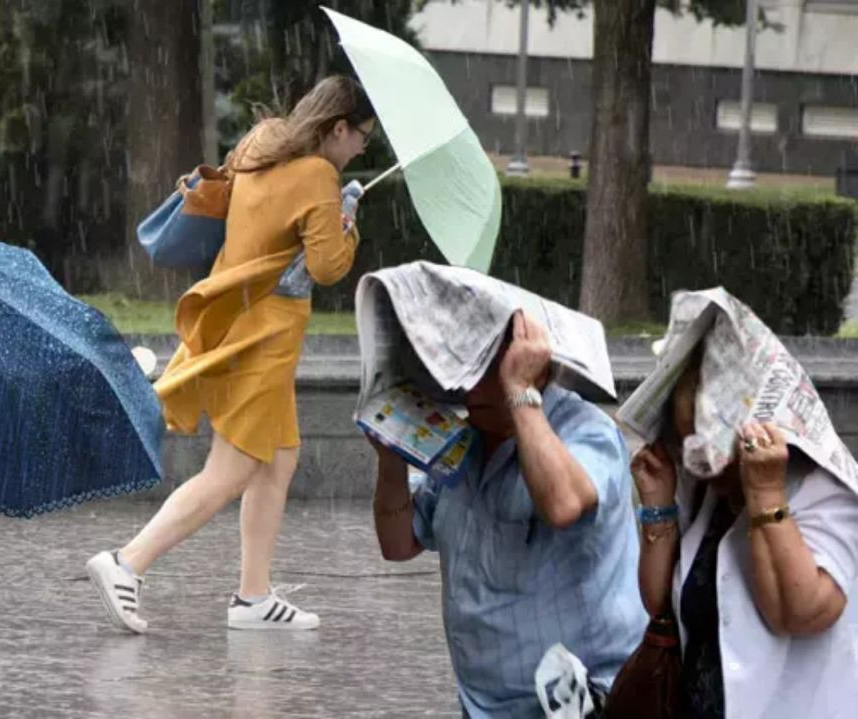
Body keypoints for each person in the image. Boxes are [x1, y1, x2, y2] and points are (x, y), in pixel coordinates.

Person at [87, 75, 375, 633]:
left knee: (279, 459)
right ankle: (126, 563)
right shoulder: (319, 174)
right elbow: (326, 268)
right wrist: (347, 224)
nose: (362, 146)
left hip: (236, 316)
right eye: (361, 135)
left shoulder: (261, 141)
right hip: (265, 339)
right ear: (337, 128)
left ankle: (253, 598)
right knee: (230, 471)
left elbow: (262, 232)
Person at [370, 313, 647, 718]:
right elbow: (398, 544)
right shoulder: (465, 441)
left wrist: (520, 393)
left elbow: (564, 504)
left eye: (485, 373)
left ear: (529, 366)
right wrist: (390, 461)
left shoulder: (586, 430)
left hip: (580, 703)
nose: (466, 390)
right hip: (481, 704)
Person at [631, 347, 858, 718]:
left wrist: (765, 493)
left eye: (713, 450)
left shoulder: (829, 492)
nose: (701, 467)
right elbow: (660, 604)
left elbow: (800, 615)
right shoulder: (710, 495)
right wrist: (658, 505)